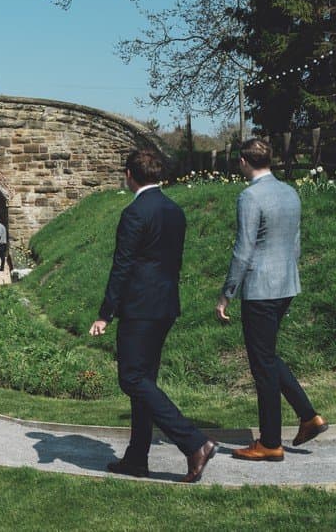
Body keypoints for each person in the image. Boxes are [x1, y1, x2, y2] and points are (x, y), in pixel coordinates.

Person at [89, 149, 217, 483]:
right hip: (165, 305)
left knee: (131, 379)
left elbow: (123, 267)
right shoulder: (175, 210)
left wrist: (106, 313)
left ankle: (194, 443)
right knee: (144, 381)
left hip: (140, 307)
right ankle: (136, 458)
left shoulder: (134, 213)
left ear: (130, 174)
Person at [217, 138, 328, 461]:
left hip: (260, 289)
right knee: (267, 356)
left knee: (262, 365)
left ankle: (270, 442)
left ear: (243, 162)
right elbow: (295, 243)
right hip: (286, 284)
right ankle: (309, 417)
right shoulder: (290, 192)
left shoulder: (249, 197)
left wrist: (226, 295)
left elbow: (243, 250)